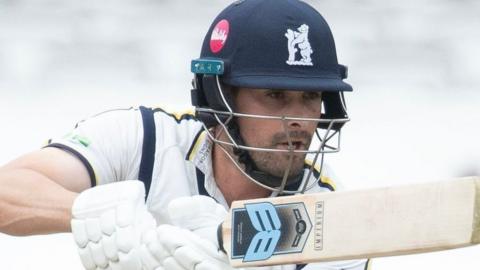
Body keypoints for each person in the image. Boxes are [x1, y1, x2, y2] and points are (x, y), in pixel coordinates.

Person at [0, 0, 370, 269]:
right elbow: (8, 191)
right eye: (274, 95)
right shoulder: (144, 139)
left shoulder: (332, 222)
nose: (298, 120)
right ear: (218, 97)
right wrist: (111, 221)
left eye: (310, 97)